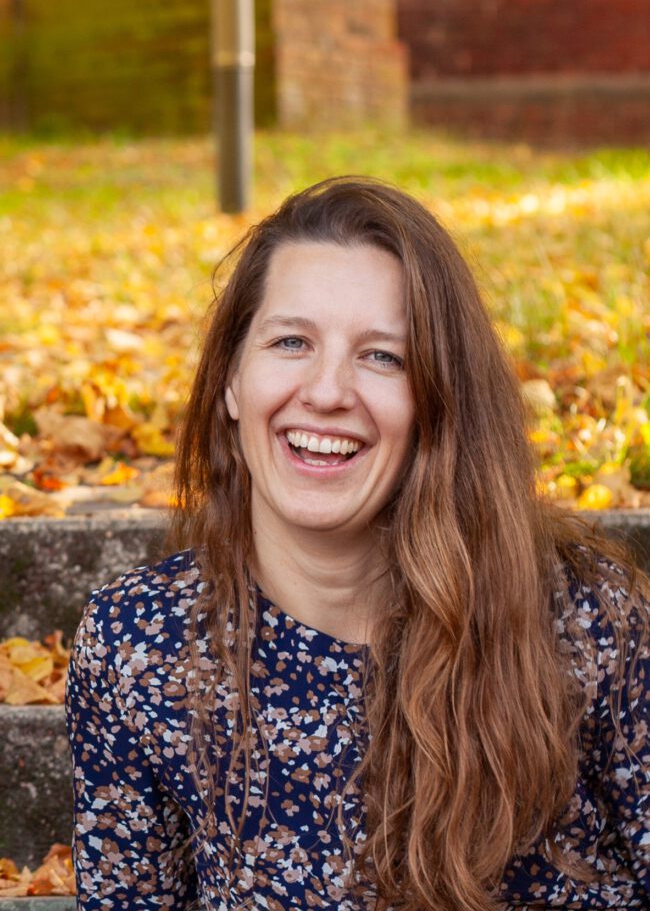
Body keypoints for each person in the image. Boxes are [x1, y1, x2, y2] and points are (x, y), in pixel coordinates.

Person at [65, 177, 649, 911]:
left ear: (441, 400)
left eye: (382, 357)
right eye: (291, 342)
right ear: (233, 381)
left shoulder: (589, 620)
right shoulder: (139, 647)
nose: (327, 391)